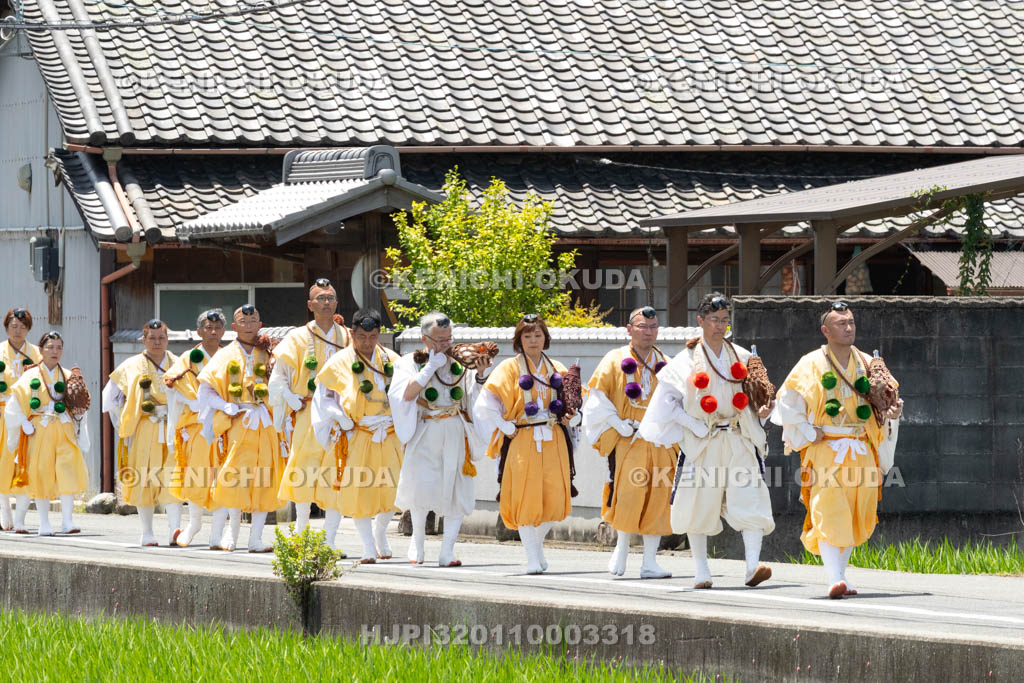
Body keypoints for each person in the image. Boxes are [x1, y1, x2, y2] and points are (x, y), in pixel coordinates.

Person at [639, 293, 775, 589]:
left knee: (750, 497)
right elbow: (667, 405)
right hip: (704, 439)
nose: (720, 326)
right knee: (698, 503)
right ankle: (701, 569)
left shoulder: (741, 356)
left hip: (738, 437)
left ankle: (753, 565)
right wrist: (693, 425)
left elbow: (755, 397)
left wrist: (762, 412)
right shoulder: (684, 361)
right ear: (700, 321)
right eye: (714, 320)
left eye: (725, 320)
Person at [770, 301, 902, 599]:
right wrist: (806, 432)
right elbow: (788, 402)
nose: (848, 327)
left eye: (851, 322)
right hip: (827, 446)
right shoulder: (810, 363)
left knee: (858, 510)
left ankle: (841, 574)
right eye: (841, 323)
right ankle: (834, 577)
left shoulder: (869, 363)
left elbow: (888, 402)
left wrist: (893, 411)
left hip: (861, 447)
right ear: (825, 330)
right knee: (830, 509)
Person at [474, 314, 576, 575]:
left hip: (553, 437)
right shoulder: (509, 368)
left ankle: (536, 547)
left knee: (555, 500)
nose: (533, 340)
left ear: (546, 338)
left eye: (538, 335)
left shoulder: (558, 368)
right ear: (519, 340)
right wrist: (503, 425)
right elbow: (486, 404)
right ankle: (532, 556)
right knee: (525, 498)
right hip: (522, 438)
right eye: (527, 336)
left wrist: (572, 415)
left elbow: (574, 404)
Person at [388, 312, 491, 567]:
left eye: (449, 339)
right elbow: (405, 395)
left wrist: (479, 375)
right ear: (425, 339)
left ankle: (447, 551)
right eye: (440, 339)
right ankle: (418, 541)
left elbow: (471, 398)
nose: (446, 344)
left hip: (455, 430)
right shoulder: (409, 362)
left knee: (457, 488)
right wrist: (430, 367)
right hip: (426, 429)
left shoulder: (460, 361)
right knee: (422, 487)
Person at [582, 306, 675, 579]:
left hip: (659, 438)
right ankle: (621, 547)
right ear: (629, 329)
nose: (648, 332)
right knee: (628, 494)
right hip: (628, 436)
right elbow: (597, 398)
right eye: (642, 326)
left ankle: (649, 561)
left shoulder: (667, 363)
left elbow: (677, 401)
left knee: (659, 496)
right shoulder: (614, 359)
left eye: (653, 326)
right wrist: (617, 423)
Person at [311, 309, 403, 562]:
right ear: (352, 333)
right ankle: (367, 548)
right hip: (357, 433)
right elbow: (324, 398)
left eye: (372, 336)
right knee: (358, 490)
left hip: (390, 432)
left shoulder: (392, 359)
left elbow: (406, 395)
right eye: (361, 336)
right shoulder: (339, 361)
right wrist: (339, 416)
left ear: (379, 334)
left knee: (395, 489)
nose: (367, 342)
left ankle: (380, 533)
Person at [198, 304, 283, 552]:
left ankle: (256, 538)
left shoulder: (269, 353)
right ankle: (231, 534)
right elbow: (206, 389)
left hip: (265, 422)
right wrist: (225, 406)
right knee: (235, 478)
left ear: (260, 324)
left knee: (264, 478)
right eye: (243, 322)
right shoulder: (225, 355)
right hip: (238, 421)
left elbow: (282, 382)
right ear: (234, 327)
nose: (248, 326)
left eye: (253, 321)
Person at [270, 278, 351, 534]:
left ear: (337, 303)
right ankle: (302, 529)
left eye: (330, 298)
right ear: (310, 304)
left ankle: (329, 538)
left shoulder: (347, 336)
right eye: (320, 298)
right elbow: (278, 375)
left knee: (336, 469)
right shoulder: (297, 336)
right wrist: (287, 395)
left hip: (339, 414)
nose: (326, 303)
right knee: (304, 467)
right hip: (306, 410)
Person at [103, 319, 181, 546]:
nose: (157, 342)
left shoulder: (179, 363)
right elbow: (111, 399)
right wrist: (126, 423)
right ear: (143, 340)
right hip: (145, 426)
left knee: (173, 476)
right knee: (145, 477)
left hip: (173, 426)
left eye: (161, 338)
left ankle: (174, 530)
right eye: (152, 338)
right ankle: (147, 532)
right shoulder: (131, 365)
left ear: (168, 339)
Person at [4, 331, 89, 535]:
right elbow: (13, 404)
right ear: (40, 350)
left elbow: (80, 406)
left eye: (59, 347)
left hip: (64, 427)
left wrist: (80, 428)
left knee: (67, 472)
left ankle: (67, 521)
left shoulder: (69, 376)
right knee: (41, 473)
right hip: (39, 429)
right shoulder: (30, 375)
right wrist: (23, 422)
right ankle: (44, 522)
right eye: (50, 347)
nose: (55, 351)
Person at [165, 309, 228, 547]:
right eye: (208, 327)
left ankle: (218, 532)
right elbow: (171, 382)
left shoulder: (229, 356)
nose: (213, 331)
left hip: (224, 424)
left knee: (223, 477)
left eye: (217, 327)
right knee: (196, 476)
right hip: (197, 425)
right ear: (199, 331)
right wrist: (192, 399)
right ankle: (194, 522)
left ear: (224, 330)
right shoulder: (189, 358)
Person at [0, 307, 43, 530]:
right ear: (6, 327)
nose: (17, 331)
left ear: (29, 329)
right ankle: (4, 506)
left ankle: (21, 518)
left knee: (27, 461)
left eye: (23, 327)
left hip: (28, 416)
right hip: (2, 413)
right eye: (13, 326)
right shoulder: (0, 352)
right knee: (3, 461)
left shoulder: (37, 353)